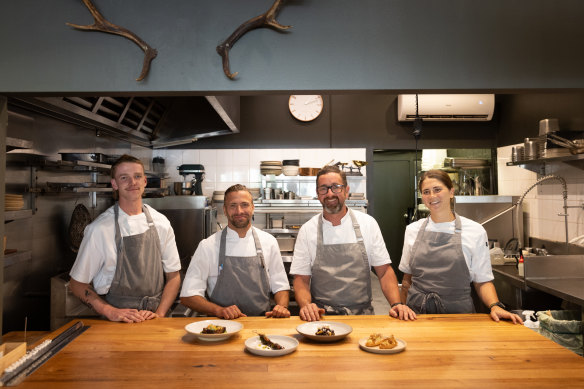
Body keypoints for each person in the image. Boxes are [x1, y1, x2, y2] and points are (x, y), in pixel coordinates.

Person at [291, 165, 416, 322]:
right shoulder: (307, 230)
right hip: (321, 318)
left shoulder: (368, 224)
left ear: (346, 190)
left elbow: (384, 271)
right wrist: (306, 305)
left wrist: (396, 303)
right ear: (317, 194)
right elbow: (301, 279)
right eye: (324, 188)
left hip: (362, 317)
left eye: (336, 187)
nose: (330, 193)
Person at [399, 169, 522, 323]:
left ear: (451, 192)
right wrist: (401, 308)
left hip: (459, 316)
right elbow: (406, 281)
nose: (432, 196)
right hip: (417, 315)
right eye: (426, 192)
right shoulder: (412, 230)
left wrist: (495, 306)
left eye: (437, 190)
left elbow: (482, 280)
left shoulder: (475, 231)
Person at [69, 155, 181, 323]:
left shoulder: (161, 223)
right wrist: (110, 311)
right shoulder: (99, 229)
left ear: (144, 181)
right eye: (124, 178)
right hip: (115, 323)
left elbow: (173, 276)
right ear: (114, 184)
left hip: (155, 319)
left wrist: (160, 313)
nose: (132, 183)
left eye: (137, 177)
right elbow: (77, 284)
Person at [180, 184, 290, 319]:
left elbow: (281, 286)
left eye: (244, 205)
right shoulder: (207, 246)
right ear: (225, 210)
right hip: (221, 326)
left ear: (252, 208)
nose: (239, 211)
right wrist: (218, 310)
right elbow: (188, 295)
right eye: (233, 206)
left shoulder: (269, 242)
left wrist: (282, 306)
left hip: (261, 323)